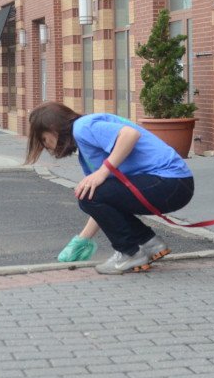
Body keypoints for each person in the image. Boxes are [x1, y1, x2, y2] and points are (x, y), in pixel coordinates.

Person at [25, 101, 194, 275]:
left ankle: (130, 253)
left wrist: (103, 171)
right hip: (173, 185)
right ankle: (148, 243)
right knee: (90, 193)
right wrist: (82, 240)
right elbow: (101, 202)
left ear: (53, 128)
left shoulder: (82, 127)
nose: (46, 146)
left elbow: (130, 134)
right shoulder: (85, 148)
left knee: (89, 194)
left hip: (170, 182)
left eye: (44, 139)